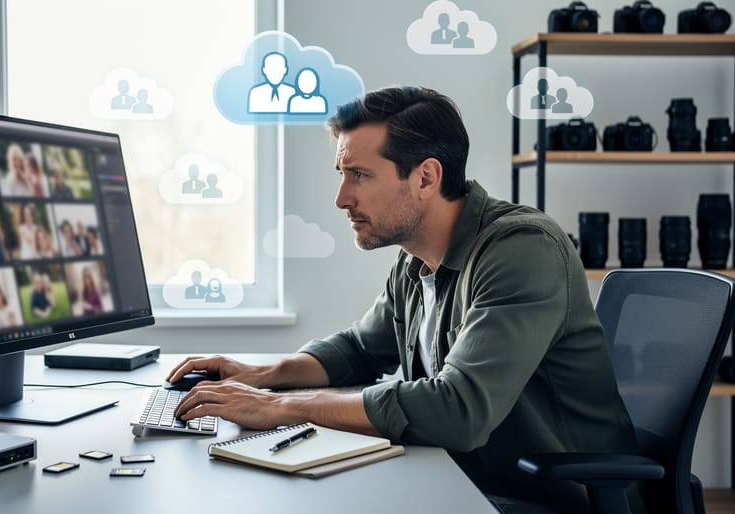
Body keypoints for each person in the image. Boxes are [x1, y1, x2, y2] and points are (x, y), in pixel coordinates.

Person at [169, 87, 640, 514]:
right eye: (342, 174)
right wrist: (262, 376)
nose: (340, 198)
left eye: (359, 175)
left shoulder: (521, 250)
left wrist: (283, 408)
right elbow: (359, 349)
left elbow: (459, 411)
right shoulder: (417, 259)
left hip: (550, 498)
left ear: (426, 177)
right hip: (466, 477)